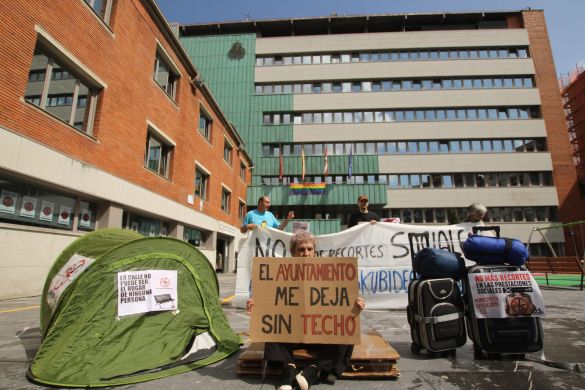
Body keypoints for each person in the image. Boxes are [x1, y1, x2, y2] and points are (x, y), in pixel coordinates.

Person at [246, 232, 365, 390]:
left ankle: (314, 371)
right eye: (301, 249)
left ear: (315, 251)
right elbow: (270, 306)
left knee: (347, 329)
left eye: (310, 249)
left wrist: (355, 306)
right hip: (290, 335)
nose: (306, 253)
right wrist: (257, 307)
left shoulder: (329, 274)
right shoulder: (278, 274)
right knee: (272, 328)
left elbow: (340, 303)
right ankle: (288, 369)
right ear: (293, 253)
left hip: (319, 333)